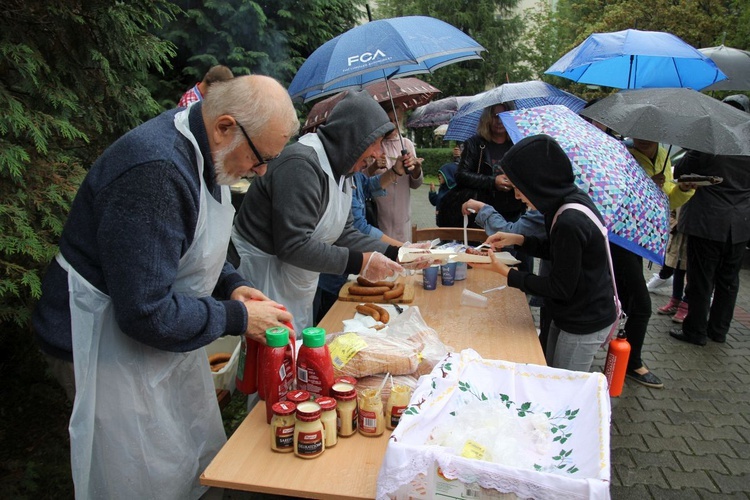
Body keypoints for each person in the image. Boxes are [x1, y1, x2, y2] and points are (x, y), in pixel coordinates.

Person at [31, 75, 299, 499]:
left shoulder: (211, 151)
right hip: (97, 338)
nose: (261, 171)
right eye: (260, 157)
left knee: (181, 442)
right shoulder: (156, 172)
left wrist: (231, 285)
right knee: (134, 464)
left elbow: (193, 246)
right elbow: (145, 312)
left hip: (148, 321)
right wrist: (239, 317)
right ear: (225, 126)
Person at [231, 91, 412, 334]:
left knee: (294, 348)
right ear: (355, 137)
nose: (379, 154)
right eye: (376, 143)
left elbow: (344, 232)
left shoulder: (342, 171)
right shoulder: (302, 165)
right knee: (267, 355)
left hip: (296, 278)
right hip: (263, 277)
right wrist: (360, 262)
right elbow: (293, 245)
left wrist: (399, 252)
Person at [472, 134, 617, 373]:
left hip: (584, 319)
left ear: (538, 182)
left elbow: (559, 287)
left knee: (565, 384)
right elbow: (559, 252)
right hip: (569, 310)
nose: (517, 196)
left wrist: (506, 273)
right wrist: (519, 240)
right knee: (550, 369)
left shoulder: (570, 219)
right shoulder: (561, 203)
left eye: (520, 188)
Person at [614, 138, 695, 388]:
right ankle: (631, 361)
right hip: (619, 235)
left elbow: (667, 199)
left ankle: (622, 353)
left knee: (629, 301)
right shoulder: (621, 152)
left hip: (642, 238)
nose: (643, 138)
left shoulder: (663, 153)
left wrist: (682, 189)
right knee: (640, 304)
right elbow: (611, 194)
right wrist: (645, 186)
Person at [670, 148, 750, 345]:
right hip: (741, 222)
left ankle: (695, 331)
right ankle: (718, 330)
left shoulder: (708, 144)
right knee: (729, 281)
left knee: (701, 280)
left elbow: (680, 172)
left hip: (707, 221)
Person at [314, 166, 405, 323]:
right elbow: (356, 229)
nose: (378, 153)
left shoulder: (354, 175)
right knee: (325, 320)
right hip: (324, 275)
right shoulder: (327, 172)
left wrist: (395, 171)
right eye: (375, 145)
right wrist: (399, 250)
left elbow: (370, 185)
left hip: (337, 271)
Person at [453, 102, 525, 228]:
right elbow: (461, 175)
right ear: (487, 118)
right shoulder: (475, 144)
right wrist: (493, 182)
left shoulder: (518, 143)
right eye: (495, 116)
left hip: (513, 213)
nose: (499, 120)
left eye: (504, 115)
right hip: (482, 214)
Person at [368, 106, 424, 242]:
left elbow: (415, 184)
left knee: (402, 254)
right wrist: (374, 166)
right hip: (379, 214)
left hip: (402, 215)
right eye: (389, 120)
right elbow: (363, 181)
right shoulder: (373, 145)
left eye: (396, 120)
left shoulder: (406, 144)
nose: (393, 124)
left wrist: (416, 169)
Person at [429, 147, 460, 223]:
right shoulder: (442, 188)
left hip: (450, 223)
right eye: (438, 175)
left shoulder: (455, 192)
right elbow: (436, 202)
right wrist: (432, 192)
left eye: (441, 175)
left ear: (448, 176)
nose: (439, 177)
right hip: (440, 222)